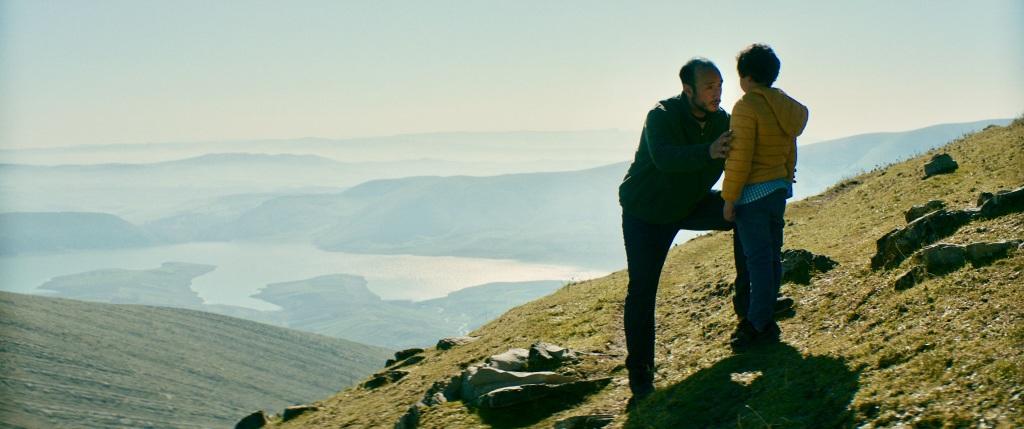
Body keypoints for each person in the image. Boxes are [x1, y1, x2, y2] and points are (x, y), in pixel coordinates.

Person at [618, 58, 742, 407]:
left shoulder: (723, 120)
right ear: (687, 89)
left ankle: (751, 314)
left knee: (746, 212)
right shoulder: (661, 115)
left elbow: (742, 156)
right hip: (646, 213)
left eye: (719, 84)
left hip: (690, 204)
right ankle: (640, 376)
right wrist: (708, 150)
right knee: (642, 291)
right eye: (708, 86)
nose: (717, 91)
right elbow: (664, 158)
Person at [722, 44, 808, 352]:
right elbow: (789, 145)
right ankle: (766, 311)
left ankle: (758, 322)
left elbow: (739, 157)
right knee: (772, 255)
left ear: (745, 77)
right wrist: (787, 175)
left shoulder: (746, 107)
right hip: (777, 190)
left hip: (753, 195)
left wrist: (729, 198)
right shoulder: (784, 107)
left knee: (757, 260)